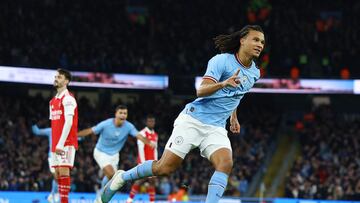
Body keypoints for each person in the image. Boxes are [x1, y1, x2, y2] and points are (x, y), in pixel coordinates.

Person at [101, 25, 265, 203]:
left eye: (262, 42)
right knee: (164, 168)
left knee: (225, 163)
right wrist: (223, 83)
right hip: (193, 120)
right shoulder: (221, 61)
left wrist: (234, 116)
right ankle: (123, 177)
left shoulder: (255, 73)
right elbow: (201, 90)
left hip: (216, 127)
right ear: (242, 40)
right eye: (255, 40)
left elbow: (237, 94)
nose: (260, 44)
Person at [77, 105, 156, 202]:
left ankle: (100, 195)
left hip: (114, 155)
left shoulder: (128, 126)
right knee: (111, 174)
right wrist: (75, 135)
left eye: (125, 113)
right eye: (121, 113)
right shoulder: (106, 124)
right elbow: (90, 130)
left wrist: (149, 143)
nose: (123, 115)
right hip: (101, 152)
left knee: (111, 178)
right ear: (116, 114)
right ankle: (102, 197)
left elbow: (138, 135)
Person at [50, 69, 78, 203]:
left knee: (63, 171)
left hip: (66, 142)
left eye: (59, 77)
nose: (56, 79)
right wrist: (55, 144)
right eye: (55, 76)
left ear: (66, 81)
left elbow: (69, 121)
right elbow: (55, 125)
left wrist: (61, 143)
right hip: (55, 143)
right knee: (57, 175)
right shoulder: (52, 101)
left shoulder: (68, 99)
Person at [126, 115, 158, 203]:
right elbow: (140, 149)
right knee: (139, 181)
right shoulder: (142, 133)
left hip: (152, 163)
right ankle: (129, 200)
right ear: (146, 122)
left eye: (153, 121)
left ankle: (152, 201)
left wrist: (156, 162)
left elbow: (155, 150)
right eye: (150, 121)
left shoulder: (155, 135)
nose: (151, 123)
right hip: (143, 162)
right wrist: (143, 163)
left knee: (152, 182)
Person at [32, 122, 59, 203]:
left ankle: (53, 194)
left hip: (61, 157)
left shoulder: (65, 131)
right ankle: (53, 194)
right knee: (57, 176)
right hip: (52, 156)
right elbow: (37, 131)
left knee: (59, 177)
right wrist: (32, 123)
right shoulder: (51, 130)